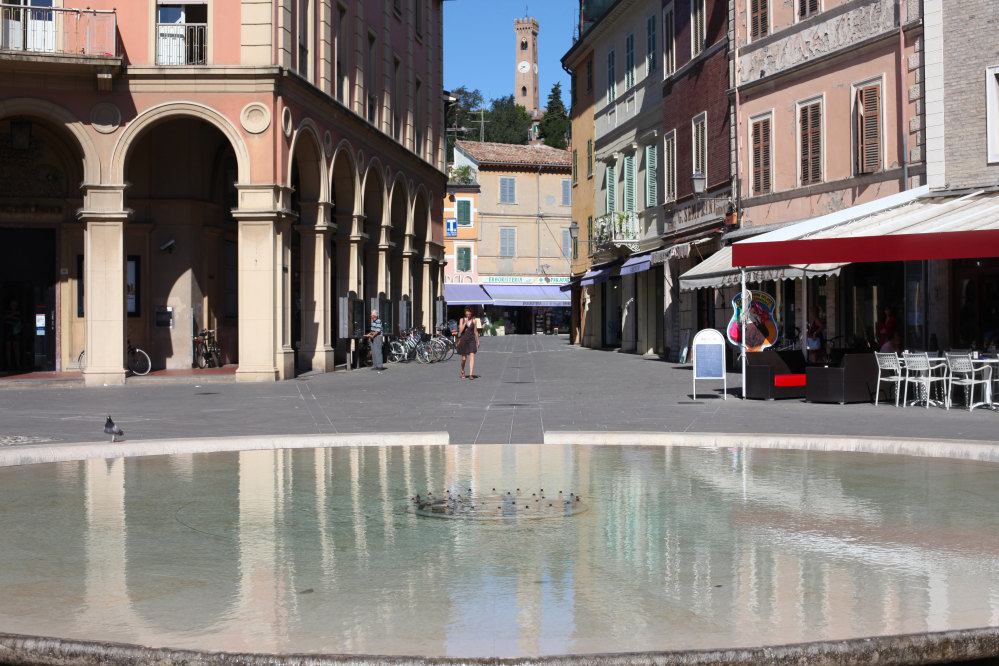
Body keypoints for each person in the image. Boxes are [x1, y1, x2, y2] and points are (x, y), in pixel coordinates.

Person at [457, 306, 480, 379]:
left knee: (472, 356)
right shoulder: (461, 320)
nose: (468, 316)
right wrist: (465, 323)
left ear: (471, 314)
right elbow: (460, 331)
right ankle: (463, 370)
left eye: (469, 314)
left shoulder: (473, 321)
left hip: (471, 340)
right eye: (467, 314)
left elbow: (475, 331)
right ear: (465, 313)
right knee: (464, 358)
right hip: (464, 340)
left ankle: (470, 374)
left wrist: (478, 341)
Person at [3, 298, 22, 371]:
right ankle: (9, 364)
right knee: (8, 347)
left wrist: (22, 326)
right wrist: (13, 313)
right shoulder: (6, 310)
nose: (15, 307)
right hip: (8, 329)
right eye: (13, 305)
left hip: (16, 330)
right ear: (10, 305)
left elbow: (22, 320)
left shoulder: (19, 312)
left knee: (16, 347)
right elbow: (4, 317)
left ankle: (18, 364)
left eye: (16, 306)